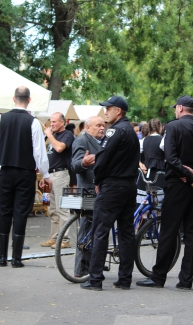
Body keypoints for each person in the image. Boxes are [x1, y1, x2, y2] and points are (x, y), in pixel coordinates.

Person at [136, 95, 193, 290]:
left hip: (178, 184)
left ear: (181, 108)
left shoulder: (173, 127)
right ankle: (186, 279)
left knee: (169, 230)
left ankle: (159, 276)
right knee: (192, 233)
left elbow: (171, 159)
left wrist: (189, 176)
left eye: (176, 108)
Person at [0, 86, 52, 268]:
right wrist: (45, 174)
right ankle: (17, 258)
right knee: (21, 211)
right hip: (26, 172)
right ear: (29, 100)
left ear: (14, 99)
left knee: (4, 210)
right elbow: (39, 152)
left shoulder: (1, 119)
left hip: (5, 170)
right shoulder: (33, 122)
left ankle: (1, 258)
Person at [80, 96, 139, 291]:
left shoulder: (115, 130)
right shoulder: (130, 131)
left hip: (113, 186)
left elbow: (103, 157)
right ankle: (125, 279)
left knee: (100, 231)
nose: (105, 112)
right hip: (129, 186)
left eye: (109, 108)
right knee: (126, 233)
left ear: (118, 111)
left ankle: (95, 278)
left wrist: (98, 180)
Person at [71, 116, 105, 277]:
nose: (102, 128)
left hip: (101, 190)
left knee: (95, 230)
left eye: (103, 125)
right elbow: (75, 164)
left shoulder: (103, 141)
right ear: (88, 127)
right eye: (98, 125)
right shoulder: (81, 141)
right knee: (85, 230)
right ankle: (81, 269)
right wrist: (83, 163)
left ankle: (93, 265)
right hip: (88, 191)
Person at [40, 112, 75, 249]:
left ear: (62, 122)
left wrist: (48, 135)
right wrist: (45, 175)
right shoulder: (53, 135)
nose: (52, 124)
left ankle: (65, 239)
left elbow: (60, 148)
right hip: (51, 174)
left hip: (61, 174)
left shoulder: (67, 135)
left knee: (62, 208)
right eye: (51, 122)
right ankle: (54, 237)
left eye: (54, 122)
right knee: (52, 209)